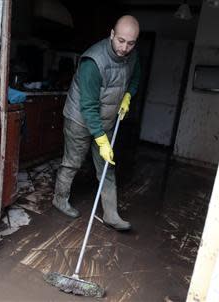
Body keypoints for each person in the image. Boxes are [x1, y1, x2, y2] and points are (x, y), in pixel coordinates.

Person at [52, 15, 140, 231]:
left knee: (107, 167)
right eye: (120, 41)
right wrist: (101, 141)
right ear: (112, 34)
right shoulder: (93, 62)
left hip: (107, 119)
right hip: (80, 119)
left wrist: (128, 95)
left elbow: (135, 76)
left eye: (130, 43)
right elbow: (89, 107)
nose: (124, 48)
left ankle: (111, 214)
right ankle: (59, 199)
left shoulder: (132, 55)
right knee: (72, 162)